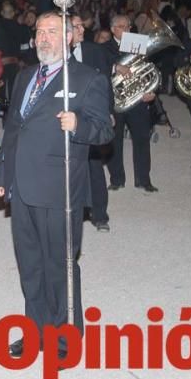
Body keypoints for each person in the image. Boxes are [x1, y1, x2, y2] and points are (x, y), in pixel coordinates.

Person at [0, 11, 114, 353]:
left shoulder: (88, 79)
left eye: (51, 31)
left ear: (69, 38)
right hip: (22, 184)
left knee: (59, 264)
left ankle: (64, 337)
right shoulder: (25, 75)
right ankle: (35, 331)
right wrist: (3, 174)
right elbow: (14, 128)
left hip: (59, 186)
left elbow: (104, 131)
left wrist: (78, 124)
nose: (43, 38)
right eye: (39, 32)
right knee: (30, 263)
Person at [69, 15, 114, 232]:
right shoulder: (56, 53)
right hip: (65, 118)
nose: (82, 28)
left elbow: (106, 85)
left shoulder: (95, 51)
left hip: (91, 117)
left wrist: (108, 112)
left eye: (81, 24)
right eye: (76, 26)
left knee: (94, 166)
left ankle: (100, 215)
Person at [107, 14, 158, 192]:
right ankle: (117, 178)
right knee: (115, 140)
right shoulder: (103, 47)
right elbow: (100, 69)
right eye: (122, 26)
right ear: (113, 29)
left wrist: (149, 91)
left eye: (129, 26)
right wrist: (115, 67)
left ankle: (144, 179)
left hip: (137, 100)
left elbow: (149, 71)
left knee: (142, 138)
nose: (127, 29)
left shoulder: (137, 43)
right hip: (115, 101)